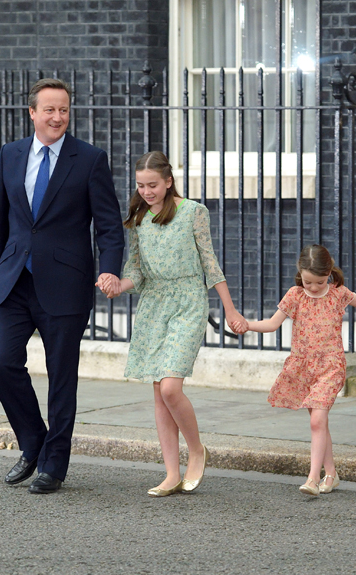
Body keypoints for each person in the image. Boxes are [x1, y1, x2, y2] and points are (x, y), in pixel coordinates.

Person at [0, 78, 125, 494]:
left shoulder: (90, 159)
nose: (57, 116)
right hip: (13, 280)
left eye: (63, 109)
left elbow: (109, 226)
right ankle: (33, 443)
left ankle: (54, 465)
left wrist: (110, 269)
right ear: (33, 113)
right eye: (49, 109)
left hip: (66, 284)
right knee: (3, 364)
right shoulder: (11, 154)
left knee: (62, 377)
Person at [99, 151, 246, 497]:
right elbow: (135, 269)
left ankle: (196, 450)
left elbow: (210, 264)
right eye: (140, 185)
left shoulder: (193, 212)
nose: (147, 191)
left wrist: (230, 309)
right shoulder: (137, 218)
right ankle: (170, 473)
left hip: (188, 302)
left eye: (153, 185)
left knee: (170, 387)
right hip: (153, 306)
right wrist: (119, 285)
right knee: (158, 392)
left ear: (168, 181)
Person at [243, 244, 356, 496]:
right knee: (318, 424)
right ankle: (331, 474)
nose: (313, 287)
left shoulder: (337, 293)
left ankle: (312, 478)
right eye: (308, 281)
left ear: (329, 273)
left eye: (320, 282)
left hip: (330, 366)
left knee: (317, 420)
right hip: (303, 367)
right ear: (300, 272)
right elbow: (271, 324)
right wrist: (246, 325)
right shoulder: (294, 295)